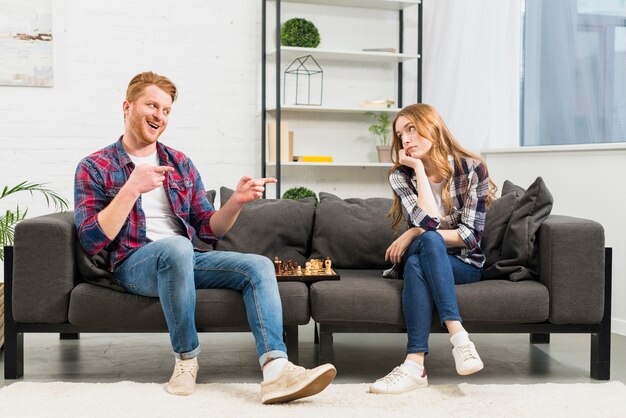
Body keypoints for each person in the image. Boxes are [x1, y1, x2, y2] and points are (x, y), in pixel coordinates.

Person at [74, 71, 336, 403]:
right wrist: (131, 188)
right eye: (151, 105)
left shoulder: (179, 163)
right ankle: (186, 359)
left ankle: (276, 370)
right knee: (176, 247)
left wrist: (236, 203)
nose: (160, 115)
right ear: (127, 107)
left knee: (256, 266)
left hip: (185, 258)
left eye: (166, 110)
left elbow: (208, 228)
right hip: (133, 264)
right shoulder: (94, 167)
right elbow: (92, 239)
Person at [369, 103, 496, 394]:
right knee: (428, 240)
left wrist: (415, 232)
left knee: (420, 256)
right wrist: (418, 171)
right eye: (401, 135)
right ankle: (459, 337)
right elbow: (427, 220)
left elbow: (470, 237)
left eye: (411, 129)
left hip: (463, 263)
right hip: (425, 248)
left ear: (433, 126)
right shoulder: (401, 175)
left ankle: (415, 365)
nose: (406, 139)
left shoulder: (473, 169)